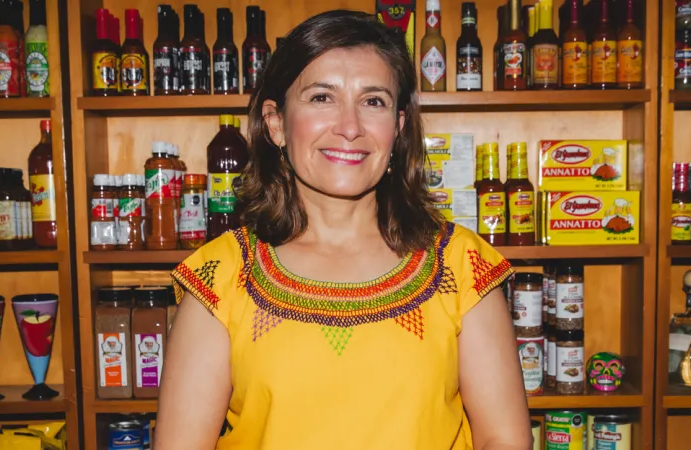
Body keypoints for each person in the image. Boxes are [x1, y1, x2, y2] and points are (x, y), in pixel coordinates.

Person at [157, 10, 531, 450]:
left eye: (373, 101)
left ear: (399, 127)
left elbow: (504, 441)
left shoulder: (461, 265)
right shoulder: (220, 276)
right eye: (321, 98)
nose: (350, 127)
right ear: (276, 123)